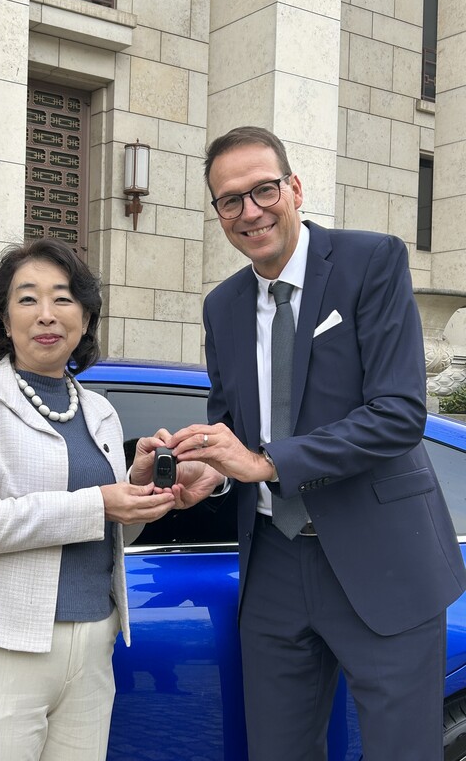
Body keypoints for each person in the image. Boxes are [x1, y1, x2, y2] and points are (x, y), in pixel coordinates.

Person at [167, 126, 466, 760]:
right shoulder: (221, 307)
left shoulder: (371, 261)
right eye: (230, 200)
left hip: (383, 556)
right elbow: (233, 431)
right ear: (218, 213)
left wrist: (265, 462)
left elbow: (398, 414)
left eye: (264, 189)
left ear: (295, 188)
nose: (250, 211)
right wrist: (213, 472)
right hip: (273, 561)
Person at [0, 238, 218, 761]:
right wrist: (100, 502)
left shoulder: (100, 411)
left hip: (92, 644)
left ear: (85, 318)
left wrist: (140, 491)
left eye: (63, 298)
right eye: (27, 298)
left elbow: (114, 530)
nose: (47, 314)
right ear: (4, 318)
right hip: (0, 648)